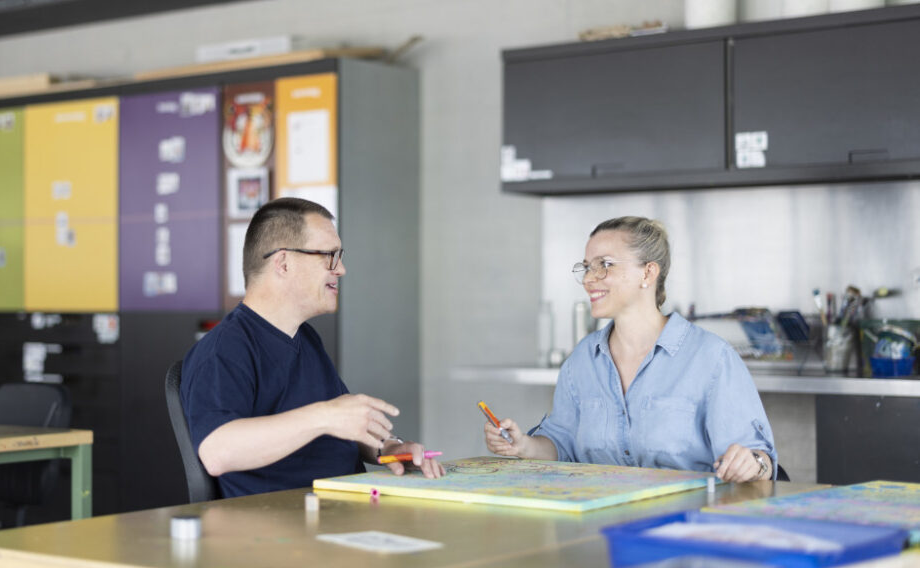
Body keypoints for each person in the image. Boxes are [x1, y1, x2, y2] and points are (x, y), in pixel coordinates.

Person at [181, 197, 444, 498]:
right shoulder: (224, 349)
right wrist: (324, 416)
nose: (341, 269)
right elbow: (218, 452)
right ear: (283, 263)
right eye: (329, 256)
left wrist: (390, 447)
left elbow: (344, 424)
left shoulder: (305, 339)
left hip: (344, 511)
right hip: (282, 528)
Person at [485, 216, 777, 483]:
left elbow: (758, 458)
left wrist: (753, 463)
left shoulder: (712, 358)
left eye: (605, 264)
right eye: (587, 267)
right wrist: (523, 445)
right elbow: (562, 444)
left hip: (685, 525)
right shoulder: (582, 360)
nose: (588, 278)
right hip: (598, 524)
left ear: (648, 273)